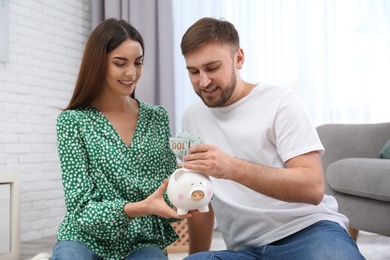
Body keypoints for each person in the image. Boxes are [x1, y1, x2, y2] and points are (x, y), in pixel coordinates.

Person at [179, 17, 365, 260]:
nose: (203, 82)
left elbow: (313, 187)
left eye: (212, 68)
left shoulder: (281, 102)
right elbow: (200, 200)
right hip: (246, 251)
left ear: (239, 58)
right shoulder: (192, 117)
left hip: (308, 232)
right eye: (194, 72)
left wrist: (231, 167)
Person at [51, 18, 189, 260]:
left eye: (138, 62)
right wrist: (138, 208)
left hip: (142, 239)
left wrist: (187, 192)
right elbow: (80, 208)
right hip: (86, 236)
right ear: (98, 64)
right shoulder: (72, 122)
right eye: (120, 63)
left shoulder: (157, 117)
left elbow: (166, 184)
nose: (131, 72)